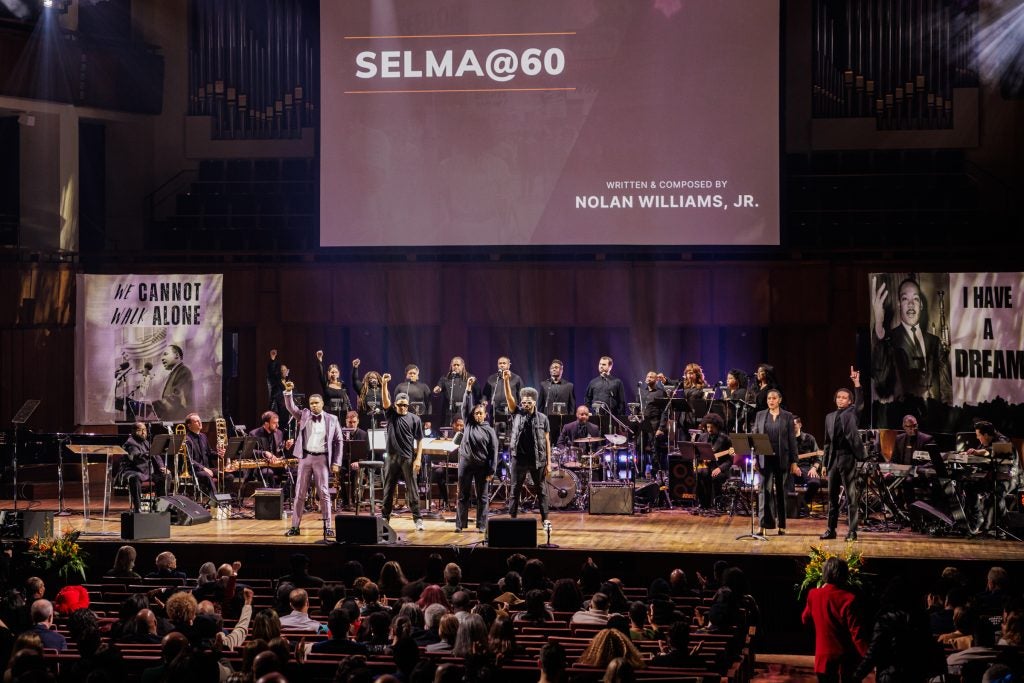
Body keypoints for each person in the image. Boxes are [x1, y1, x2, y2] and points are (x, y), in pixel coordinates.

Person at [871, 276, 953, 404]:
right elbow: (880, 380)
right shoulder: (888, 340)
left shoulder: (935, 342)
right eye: (905, 299)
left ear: (920, 305)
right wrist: (879, 324)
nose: (910, 304)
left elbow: (946, 388)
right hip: (903, 419)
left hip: (933, 417)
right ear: (899, 304)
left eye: (915, 298)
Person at [282, 386, 342, 537]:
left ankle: (328, 526)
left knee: (324, 493)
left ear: (322, 403)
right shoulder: (304, 415)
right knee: (299, 493)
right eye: (311, 403)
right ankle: (295, 527)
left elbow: (339, 441)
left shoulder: (332, 419)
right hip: (305, 458)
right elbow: (290, 407)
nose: (313, 405)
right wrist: (289, 392)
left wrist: (337, 462)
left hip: (322, 458)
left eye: (316, 403)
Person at [802, 557, 868, 683]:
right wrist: (868, 658)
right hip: (846, 660)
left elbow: (805, 619)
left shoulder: (813, 595)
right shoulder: (849, 599)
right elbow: (857, 634)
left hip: (823, 659)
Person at [821, 379, 868, 541]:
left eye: (844, 398)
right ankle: (830, 529)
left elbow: (861, 403)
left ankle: (852, 531)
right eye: (838, 397)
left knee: (850, 497)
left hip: (848, 458)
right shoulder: (829, 417)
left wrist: (857, 385)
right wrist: (824, 464)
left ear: (850, 401)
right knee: (832, 498)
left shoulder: (852, 412)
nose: (841, 399)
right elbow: (827, 443)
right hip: (833, 459)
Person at [504, 370, 552, 523]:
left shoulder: (543, 419)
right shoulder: (517, 413)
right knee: (515, 489)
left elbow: (547, 441)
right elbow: (509, 398)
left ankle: (545, 520)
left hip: (537, 459)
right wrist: (506, 381)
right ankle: (512, 517)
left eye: (528, 402)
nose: (524, 405)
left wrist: (549, 463)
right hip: (519, 458)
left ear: (534, 403)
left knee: (541, 490)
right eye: (523, 402)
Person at [381, 374, 425, 531]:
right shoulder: (391, 415)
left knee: (412, 489)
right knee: (388, 489)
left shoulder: (415, 419)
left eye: (405, 405)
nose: (403, 407)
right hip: (391, 458)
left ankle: (418, 518)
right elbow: (385, 402)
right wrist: (384, 384)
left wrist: (418, 458)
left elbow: (420, 440)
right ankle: (385, 517)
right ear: (396, 404)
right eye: (400, 405)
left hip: (407, 458)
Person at [455, 377, 499, 533]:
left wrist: (491, 471)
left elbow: (494, 452)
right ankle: (460, 525)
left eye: (481, 413)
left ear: (485, 415)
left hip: (482, 467)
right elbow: (466, 407)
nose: (478, 415)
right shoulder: (468, 424)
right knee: (463, 496)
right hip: (466, 465)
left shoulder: (489, 430)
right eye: (476, 413)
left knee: (482, 497)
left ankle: (481, 525)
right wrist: (468, 388)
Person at [753, 389, 798, 535]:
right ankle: (762, 525)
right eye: (768, 399)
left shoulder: (787, 416)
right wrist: (754, 458)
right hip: (764, 458)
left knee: (780, 492)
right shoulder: (760, 415)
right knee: (763, 492)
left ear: (779, 400)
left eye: (773, 398)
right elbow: (754, 437)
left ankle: (782, 525)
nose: (770, 401)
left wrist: (794, 461)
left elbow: (792, 440)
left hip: (781, 459)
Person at [117, 422, 167, 512]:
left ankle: (160, 506)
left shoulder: (146, 442)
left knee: (164, 476)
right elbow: (136, 457)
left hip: (146, 472)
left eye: (145, 430)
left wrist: (162, 467)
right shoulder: (130, 443)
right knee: (134, 478)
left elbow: (157, 456)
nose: (144, 432)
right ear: (133, 431)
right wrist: (149, 453)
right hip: (132, 470)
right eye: (140, 430)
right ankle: (138, 508)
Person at [694, 413, 734, 509]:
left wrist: (720, 468)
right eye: (707, 427)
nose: (709, 430)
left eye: (712, 427)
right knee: (698, 474)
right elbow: (697, 454)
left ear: (718, 427)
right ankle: (703, 503)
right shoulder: (702, 437)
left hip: (719, 468)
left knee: (714, 476)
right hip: (704, 467)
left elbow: (730, 460)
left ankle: (717, 503)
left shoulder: (725, 439)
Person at [248, 411, 293, 489]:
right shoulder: (254, 434)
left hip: (277, 464)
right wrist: (264, 453)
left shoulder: (279, 433)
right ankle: (273, 497)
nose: (277, 425)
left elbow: (280, 452)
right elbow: (249, 452)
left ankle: (284, 495)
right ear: (266, 424)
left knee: (295, 471)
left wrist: (286, 448)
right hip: (262, 466)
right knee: (268, 473)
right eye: (274, 423)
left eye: (277, 423)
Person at [183, 413, 223, 499]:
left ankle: (225, 500)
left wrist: (219, 454)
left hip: (207, 468)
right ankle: (215, 502)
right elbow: (189, 459)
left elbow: (210, 452)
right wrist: (203, 468)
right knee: (206, 476)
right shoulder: (186, 439)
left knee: (228, 476)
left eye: (199, 420)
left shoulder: (203, 436)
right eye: (196, 421)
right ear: (189, 425)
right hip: (195, 470)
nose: (200, 422)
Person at [433, 356, 478, 428]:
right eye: (454, 365)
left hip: (465, 410)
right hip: (449, 411)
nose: (456, 367)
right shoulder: (445, 378)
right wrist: (436, 390)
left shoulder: (470, 377)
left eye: (458, 365)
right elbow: (438, 389)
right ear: (451, 366)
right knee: (449, 432)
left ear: (463, 366)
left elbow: (478, 394)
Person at [791, 416, 823, 516]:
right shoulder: (786, 439)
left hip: (805, 468)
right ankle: (787, 507)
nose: (791, 427)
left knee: (815, 482)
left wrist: (814, 468)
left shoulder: (809, 438)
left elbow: (818, 456)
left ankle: (801, 505)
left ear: (800, 425)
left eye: (794, 425)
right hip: (789, 468)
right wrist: (794, 466)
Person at [637, 371, 668, 475]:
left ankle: (656, 473)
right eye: (647, 376)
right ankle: (640, 472)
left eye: (651, 377)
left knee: (654, 448)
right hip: (642, 422)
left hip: (654, 422)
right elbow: (637, 407)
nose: (649, 378)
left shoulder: (660, 392)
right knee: (639, 446)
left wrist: (661, 428)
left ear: (656, 380)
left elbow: (665, 411)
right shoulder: (641, 391)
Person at [153, 344, 193, 420]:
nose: (162, 358)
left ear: (177, 355)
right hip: (172, 419)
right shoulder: (175, 372)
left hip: (178, 420)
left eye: (165, 354)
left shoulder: (183, 371)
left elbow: (177, 398)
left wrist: (150, 408)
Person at [539, 359, 576, 436]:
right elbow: (540, 405)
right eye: (552, 368)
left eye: (556, 367)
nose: (554, 369)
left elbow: (572, 406)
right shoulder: (544, 385)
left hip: (564, 421)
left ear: (561, 370)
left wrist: (570, 420)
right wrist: (540, 420)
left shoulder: (569, 385)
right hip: (548, 420)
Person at [315, 350, 352, 421]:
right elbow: (321, 373)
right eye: (332, 372)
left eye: (335, 372)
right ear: (328, 373)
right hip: (328, 414)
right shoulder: (326, 384)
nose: (334, 374)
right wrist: (319, 360)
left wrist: (350, 413)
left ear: (338, 373)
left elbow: (347, 401)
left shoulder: (343, 385)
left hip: (341, 415)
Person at [483, 356, 522, 421]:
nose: (502, 365)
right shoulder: (491, 378)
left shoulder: (516, 378)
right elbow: (485, 394)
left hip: (511, 411)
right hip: (495, 411)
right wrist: (484, 401)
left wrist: (519, 409)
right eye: (500, 363)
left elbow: (521, 395)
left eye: (504, 363)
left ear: (509, 365)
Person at [351, 359, 385, 429]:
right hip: (366, 418)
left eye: (374, 378)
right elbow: (355, 380)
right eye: (370, 378)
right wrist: (355, 368)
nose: (372, 379)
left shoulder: (382, 390)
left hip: (380, 418)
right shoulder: (363, 389)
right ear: (367, 380)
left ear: (378, 380)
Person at [266, 349, 290, 425]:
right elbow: (271, 373)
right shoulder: (275, 382)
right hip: (277, 411)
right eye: (282, 370)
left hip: (288, 412)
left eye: (285, 370)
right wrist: (272, 359)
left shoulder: (290, 383)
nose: (284, 371)